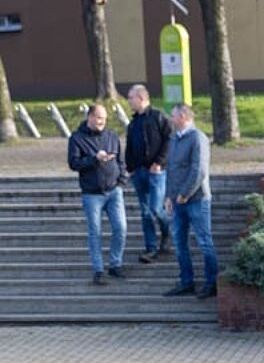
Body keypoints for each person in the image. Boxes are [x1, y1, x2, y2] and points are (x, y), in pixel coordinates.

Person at [162, 104, 219, 300]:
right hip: (177, 200)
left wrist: (185, 193)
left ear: (183, 117)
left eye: (173, 116)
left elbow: (199, 170)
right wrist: (169, 196)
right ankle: (186, 281)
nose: (171, 119)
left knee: (204, 241)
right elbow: (171, 170)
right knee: (179, 242)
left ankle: (212, 283)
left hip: (197, 199)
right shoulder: (174, 139)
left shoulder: (198, 138)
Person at [66, 102, 126, 286]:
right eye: (99, 118)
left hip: (114, 190)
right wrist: (94, 159)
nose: (102, 122)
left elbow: (121, 160)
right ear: (90, 117)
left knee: (121, 228)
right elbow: (74, 163)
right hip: (92, 194)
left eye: (105, 119)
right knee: (95, 232)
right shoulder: (77, 138)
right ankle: (98, 270)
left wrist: (121, 180)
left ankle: (115, 264)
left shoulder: (112, 135)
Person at [124, 84, 172, 263]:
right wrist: (130, 167)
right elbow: (130, 147)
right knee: (145, 212)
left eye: (131, 98)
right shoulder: (133, 123)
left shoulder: (158, 117)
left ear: (141, 98)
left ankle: (167, 233)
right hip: (139, 172)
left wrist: (159, 162)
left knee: (156, 209)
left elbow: (169, 140)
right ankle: (151, 248)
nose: (129, 101)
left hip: (156, 171)